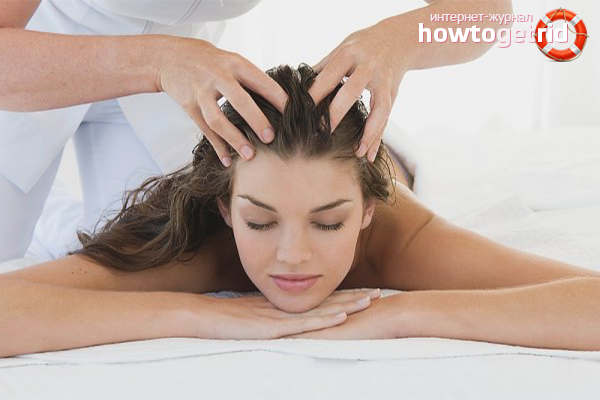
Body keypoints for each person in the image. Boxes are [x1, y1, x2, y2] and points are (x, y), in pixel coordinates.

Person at [1, 64, 599, 358]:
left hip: (367, 150)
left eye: (329, 222)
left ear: (366, 212)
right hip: (250, 145)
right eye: (260, 222)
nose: (292, 255)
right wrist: (206, 314)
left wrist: (401, 313)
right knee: (80, 229)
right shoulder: (200, 241)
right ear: (227, 210)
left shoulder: (400, 235)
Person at [0, 0, 515, 263]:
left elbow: (489, 14)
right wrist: (156, 61)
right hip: (34, 60)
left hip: (183, 69)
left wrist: (398, 41)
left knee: (156, 256)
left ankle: (54, 215)